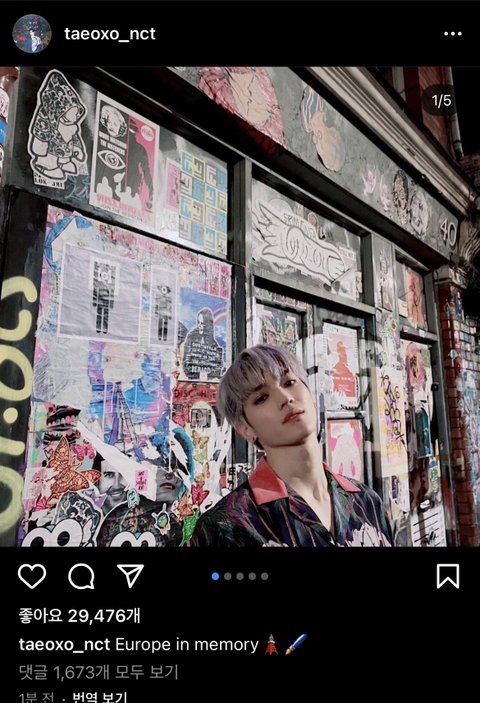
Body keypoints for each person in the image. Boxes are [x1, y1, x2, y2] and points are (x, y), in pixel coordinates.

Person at [189, 344, 393, 547]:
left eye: (289, 382)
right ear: (245, 429)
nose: (285, 398)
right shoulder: (226, 527)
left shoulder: (367, 502)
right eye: (261, 398)